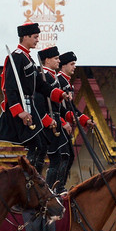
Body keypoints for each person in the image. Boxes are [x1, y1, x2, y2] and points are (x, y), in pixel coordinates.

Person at [0, 22, 66, 176]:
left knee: (42, 145)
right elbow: (9, 88)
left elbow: (40, 84)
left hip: (30, 106)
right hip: (22, 108)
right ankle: (27, 180)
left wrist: (58, 94)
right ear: (26, 37)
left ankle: (33, 181)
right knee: (37, 146)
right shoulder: (16, 57)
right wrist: (20, 112)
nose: (38, 40)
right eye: (35, 37)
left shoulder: (28, 59)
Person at [56, 51, 94, 194]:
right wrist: (64, 121)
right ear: (63, 65)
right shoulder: (59, 81)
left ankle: (60, 186)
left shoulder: (67, 83)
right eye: (72, 64)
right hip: (60, 126)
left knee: (69, 156)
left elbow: (72, 108)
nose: (74, 67)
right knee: (64, 156)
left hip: (66, 124)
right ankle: (57, 187)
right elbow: (58, 109)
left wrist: (85, 120)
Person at [35, 46, 68, 188]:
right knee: (46, 157)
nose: (59, 61)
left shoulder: (52, 76)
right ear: (47, 60)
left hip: (55, 120)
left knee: (57, 157)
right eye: (56, 58)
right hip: (47, 122)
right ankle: (46, 189)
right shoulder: (44, 76)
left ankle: (51, 188)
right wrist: (46, 120)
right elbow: (38, 100)